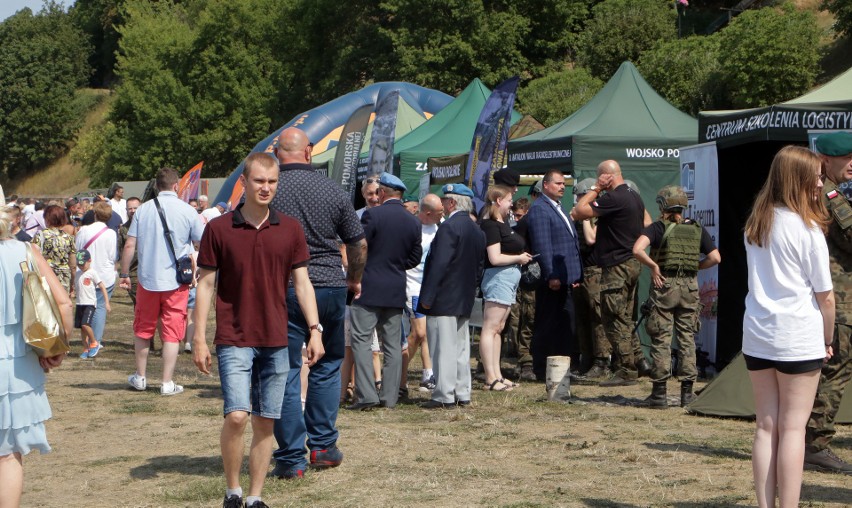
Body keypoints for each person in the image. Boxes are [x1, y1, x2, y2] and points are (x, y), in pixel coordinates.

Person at [192, 152, 322, 508]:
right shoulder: (218, 229)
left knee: (266, 421)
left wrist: (315, 329)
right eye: (259, 181)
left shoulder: (291, 229)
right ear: (244, 183)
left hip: (277, 338)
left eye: (272, 181)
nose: (266, 188)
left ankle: (254, 496)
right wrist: (199, 337)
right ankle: (232, 489)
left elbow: (303, 283)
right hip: (234, 336)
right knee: (237, 415)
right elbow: (205, 285)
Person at [270, 127, 366, 479]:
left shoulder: (268, 190)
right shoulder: (334, 190)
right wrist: (353, 279)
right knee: (327, 364)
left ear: (278, 153)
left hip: (283, 289)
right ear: (308, 152)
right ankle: (323, 446)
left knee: (285, 370)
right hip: (328, 286)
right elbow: (358, 244)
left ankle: (292, 456)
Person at [742, 145, 835, 508]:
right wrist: (828, 339)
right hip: (798, 336)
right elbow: (826, 297)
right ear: (798, 178)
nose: (819, 181)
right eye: (814, 174)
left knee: (766, 427)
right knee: (793, 429)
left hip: (758, 335)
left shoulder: (756, 224)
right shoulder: (808, 230)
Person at [0, 206, 72, 507]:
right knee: (7, 454)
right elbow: (64, 304)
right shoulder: (24, 251)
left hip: (15, 363)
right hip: (15, 363)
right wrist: (54, 350)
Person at [633, 185, 720, 408]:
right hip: (689, 287)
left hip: (664, 285)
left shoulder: (657, 228)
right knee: (687, 338)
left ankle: (659, 394)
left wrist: (653, 267)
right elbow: (716, 257)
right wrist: (695, 268)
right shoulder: (696, 229)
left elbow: (637, 250)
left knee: (662, 337)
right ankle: (687, 394)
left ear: (663, 206)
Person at [119, 167, 204, 396]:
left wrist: (124, 273)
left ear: (157, 185)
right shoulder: (188, 210)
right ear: (176, 185)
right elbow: (202, 241)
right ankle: (167, 382)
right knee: (172, 331)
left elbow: (130, 245)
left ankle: (140, 376)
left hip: (147, 279)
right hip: (177, 281)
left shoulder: (143, 210)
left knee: (143, 329)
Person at [573, 160, 652, 386]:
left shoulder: (613, 197)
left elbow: (579, 211)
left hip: (617, 266)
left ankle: (626, 369)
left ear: (607, 176)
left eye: (600, 177)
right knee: (624, 317)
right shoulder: (633, 195)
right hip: (631, 263)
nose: (598, 182)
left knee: (613, 318)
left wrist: (596, 189)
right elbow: (647, 222)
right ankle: (635, 362)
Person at [348, 172, 422, 410]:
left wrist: (355, 276)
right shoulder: (413, 220)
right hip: (395, 288)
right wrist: (395, 265)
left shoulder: (372, 215)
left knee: (361, 342)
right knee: (392, 346)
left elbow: (360, 247)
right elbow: (415, 257)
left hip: (368, 287)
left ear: (382, 193)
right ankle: (389, 397)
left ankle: (367, 394)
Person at [805, 131, 852, 474]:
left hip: (832, 296)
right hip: (838, 299)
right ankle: (815, 444)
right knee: (836, 372)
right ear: (826, 160)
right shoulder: (831, 196)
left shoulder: (817, 192)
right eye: (847, 158)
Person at [417, 184, 485, 408]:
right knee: (461, 347)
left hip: (444, 297)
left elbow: (439, 265)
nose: (443, 205)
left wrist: (427, 296)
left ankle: (443, 395)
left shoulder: (449, 228)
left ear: (453, 203)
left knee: (442, 348)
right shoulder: (476, 229)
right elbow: (479, 267)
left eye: (445, 200)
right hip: (464, 296)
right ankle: (462, 391)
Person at [525, 170, 583, 381]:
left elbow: (569, 243)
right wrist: (551, 275)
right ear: (546, 185)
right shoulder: (540, 209)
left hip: (565, 276)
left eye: (564, 184)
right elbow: (543, 245)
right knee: (548, 323)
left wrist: (575, 275)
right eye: (558, 183)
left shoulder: (558, 207)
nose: (562, 187)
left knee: (564, 324)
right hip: (553, 279)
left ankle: (561, 369)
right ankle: (541, 368)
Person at [479, 185, 533, 391]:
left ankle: (497, 375)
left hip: (508, 279)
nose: (512, 204)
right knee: (490, 327)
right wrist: (519, 257)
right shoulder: (490, 225)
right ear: (499, 201)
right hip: (498, 278)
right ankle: (490, 377)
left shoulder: (502, 224)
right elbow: (494, 257)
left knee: (499, 328)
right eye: (510, 200)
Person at [571, 178, 611, 379]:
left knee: (597, 317)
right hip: (581, 271)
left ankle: (601, 361)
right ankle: (586, 358)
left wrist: (585, 218)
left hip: (596, 271)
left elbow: (591, 239)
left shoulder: (598, 214)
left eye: (581, 196)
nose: (578, 201)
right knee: (582, 318)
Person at [404, 194, 443, 393]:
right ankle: (399, 373)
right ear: (427, 213)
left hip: (429, 286)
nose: (443, 214)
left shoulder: (439, 227)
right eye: (439, 212)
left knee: (426, 333)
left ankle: (428, 374)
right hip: (412, 285)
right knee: (418, 333)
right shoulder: (412, 227)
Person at [75, 202, 118, 349]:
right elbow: (113, 256)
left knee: (85, 305)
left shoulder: (83, 230)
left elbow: (78, 250)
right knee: (99, 307)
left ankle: (87, 339)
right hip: (104, 274)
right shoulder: (111, 233)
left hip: (85, 273)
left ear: (95, 214)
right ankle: (96, 340)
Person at [32, 205, 77, 295]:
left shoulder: (40, 235)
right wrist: (72, 283)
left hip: (45, 276)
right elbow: (73, 265)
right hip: (64, 277)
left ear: (47, 219)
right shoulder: (69, 238)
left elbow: (33, 256)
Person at [75, 249, 111, 359]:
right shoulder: (77, 273)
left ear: (89, 261)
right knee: (82, 328)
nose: (81, 266)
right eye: (79, 264)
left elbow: (102, 287)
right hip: (79, 303)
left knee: (86, 324)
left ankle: (94, 342)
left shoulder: (92, 273)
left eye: (83, 264)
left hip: (89, 303)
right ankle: (86, 348)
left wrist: (107, 302)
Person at [118, 197, 141, 306]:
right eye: (130, 208)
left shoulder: (150, 225)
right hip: (133, 273)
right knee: (138, 304)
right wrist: (124, 272)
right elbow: (121, 251)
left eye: (135, 208)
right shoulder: (124, 229)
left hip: (150, 271)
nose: (132, 211)